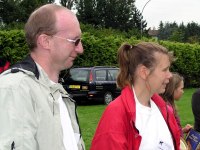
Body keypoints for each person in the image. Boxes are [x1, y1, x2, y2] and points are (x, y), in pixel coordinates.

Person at [0, 4, 85, 150]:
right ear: (46, 41)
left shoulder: (60, 94)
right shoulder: (16, 89)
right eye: (75, 41)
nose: (81, 49)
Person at [91, 42, 180, 150]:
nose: (170, 75)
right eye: (165, 70)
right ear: (144, 72)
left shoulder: (164, 109)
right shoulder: (116, 114)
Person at [160, 72, 192, 138]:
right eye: (181, 89)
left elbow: (173, 131)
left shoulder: (169, 105)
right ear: (173, 89)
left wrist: (183, 130)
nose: (183, 92)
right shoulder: (167, 109)